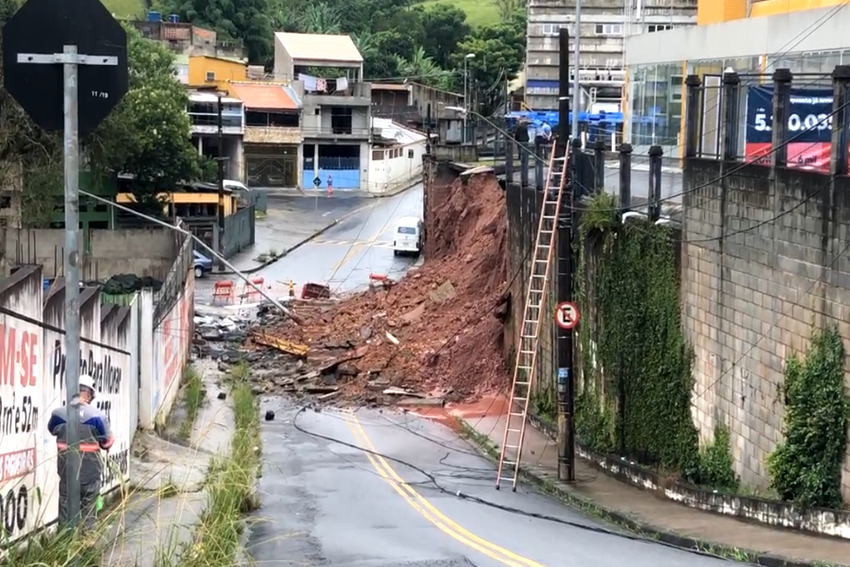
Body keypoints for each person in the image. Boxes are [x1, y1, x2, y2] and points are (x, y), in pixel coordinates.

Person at [47, 374, 114, 534]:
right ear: (90, 393)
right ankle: (87, 550)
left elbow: (52, 430)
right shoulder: (98, 416)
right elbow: (108, 443)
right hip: (89, 475)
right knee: (89, 515)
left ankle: (64, 546)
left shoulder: (58, 414)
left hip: (66, 474)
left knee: (65, 514)